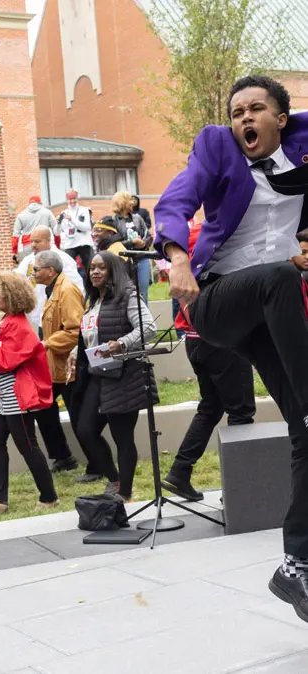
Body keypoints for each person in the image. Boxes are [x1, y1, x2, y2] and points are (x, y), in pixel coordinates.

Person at [153, 74, 308, 619]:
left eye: (257, 109)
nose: (245, 118)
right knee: (279, 278)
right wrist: (175, 257)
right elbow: (177, 197)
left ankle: (296, 566)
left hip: (271, 314)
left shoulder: (302, 155)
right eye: (237, 110)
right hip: (216, 298)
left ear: (280, 120)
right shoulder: (218, 146)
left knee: (305, 431)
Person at [70, 252, 157, 501]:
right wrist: (78, 354)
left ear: (113, 271)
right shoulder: (95, 301)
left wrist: (122, 343)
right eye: (92, 268)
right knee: (85, 430)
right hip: (98, 374)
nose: (95, 272)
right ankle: (115, 479)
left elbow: (148, 328)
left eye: (102, 268)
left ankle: (125, 493)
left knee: (123, 437)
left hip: (124, 375)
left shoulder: (128, 296)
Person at [0, 271, 60, 515]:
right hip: (3, 394)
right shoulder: (6, 321)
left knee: (27, 444)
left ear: (13, 296)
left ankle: (49, 496)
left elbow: (3, 362)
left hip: (17, 396)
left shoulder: (20, 327)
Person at [162, 306, 256, 501]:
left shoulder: (188, 274)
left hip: (196, 338)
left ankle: (180, 470)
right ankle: (236, 487)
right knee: (240, 412)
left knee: (210, 407)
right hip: (223, 339)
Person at [32, 250, 86, 474]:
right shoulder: (52, 289)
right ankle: (62, 456)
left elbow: (75, 331)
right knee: (43, 407)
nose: (33, 272)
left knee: (78, 415)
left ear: (50, 271)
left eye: (36, 269)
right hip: (55, 365)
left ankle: (95, 463)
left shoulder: (66, 290)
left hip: (70, 366)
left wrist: (46, 344)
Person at [15, 225, 84, 334]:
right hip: (42, 319)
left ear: (49, 241)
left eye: (37, 241)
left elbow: (78, 288)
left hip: (61, 319)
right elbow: (15, 280)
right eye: (31, 241)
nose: (33, 245)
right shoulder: (28, 260)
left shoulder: (63, 259)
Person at [112, 191, 153, 304]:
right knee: (127, 293)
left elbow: (148, 236)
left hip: (142, 258)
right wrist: (132, 242)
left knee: (143, 293)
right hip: (125, 261)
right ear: (122, 202)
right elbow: (114, 243)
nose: (133, 202)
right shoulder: (113, 221)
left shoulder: (138, 218)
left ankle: (145, 321)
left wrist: (144, 243)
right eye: (130, 200)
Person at [58, 189, 94, 271]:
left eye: (74, 198)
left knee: (89, 268)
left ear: (77, 198)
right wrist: (58, 223)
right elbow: (57, 232)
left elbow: (86, 227)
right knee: (69, 269)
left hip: (83, 243)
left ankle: (89, 284)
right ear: (67, 200)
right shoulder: (63, 212)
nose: (72, 201)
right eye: (70, 199)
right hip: (70, 244)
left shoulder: (84, 210)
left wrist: (72, 219)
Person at [13, 195, 57, 261]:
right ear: (40, 203)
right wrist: (57, 245)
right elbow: (56, 231)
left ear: (29, 204)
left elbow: (15, 235)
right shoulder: (47, 212)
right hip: (43, 245)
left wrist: (14, 251)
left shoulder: (21, 215)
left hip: (27, 244)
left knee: (27, 267)